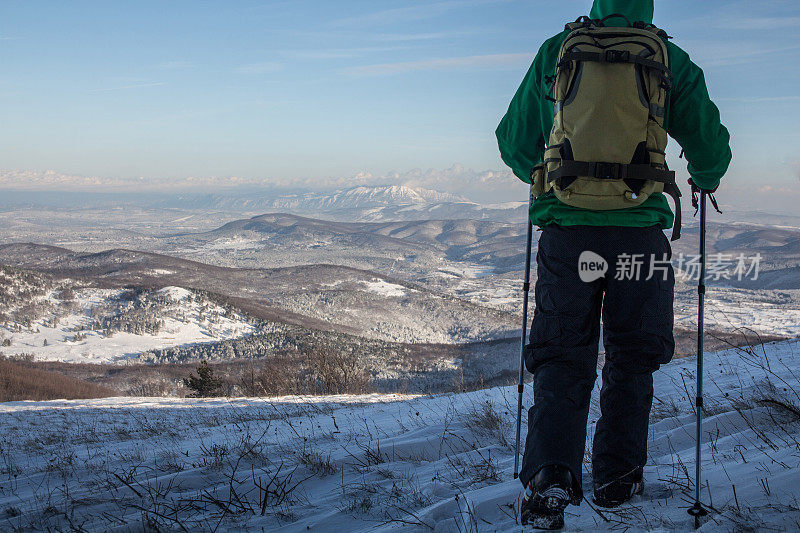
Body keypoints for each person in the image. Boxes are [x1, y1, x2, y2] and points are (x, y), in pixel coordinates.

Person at [496, 0, 731, 529]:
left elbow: (513, 142)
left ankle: (550, 479)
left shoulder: (559, 51)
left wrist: (552, 176)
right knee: (632, 355)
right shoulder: (667, 58)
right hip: (640, 237)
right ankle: (617, 479)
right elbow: (710, 144)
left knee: (561, 356)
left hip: (566, 234)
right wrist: (706, 178)